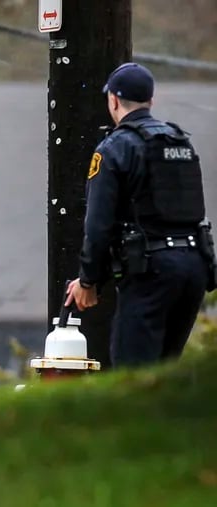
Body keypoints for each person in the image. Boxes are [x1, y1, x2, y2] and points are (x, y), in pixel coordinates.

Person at [65, 62, 216, 368]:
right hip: (194, 268)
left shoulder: (115, 147)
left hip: (151, 272)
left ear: (114, 100)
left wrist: (88, 280)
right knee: (165, 375)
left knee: (133, 375)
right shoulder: (178, 141)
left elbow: (98, 226)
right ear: (150, 101)